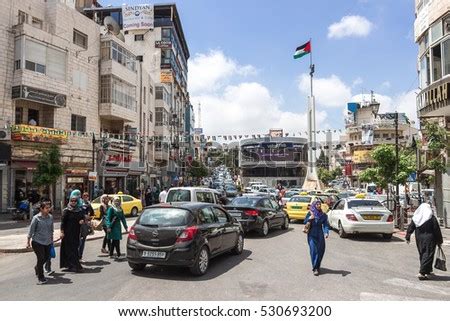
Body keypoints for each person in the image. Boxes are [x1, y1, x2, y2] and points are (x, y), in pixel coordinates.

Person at [405, 203, 443, 280]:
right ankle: (422, 272)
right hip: (430, 239)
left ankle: (428, 270)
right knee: (428, 254)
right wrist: (439, 240)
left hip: (419, 239)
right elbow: (436, 230)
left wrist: (407, 236)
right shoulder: (431, 218)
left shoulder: (416, 217)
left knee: (423, 254)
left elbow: (411, 227)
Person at [26, 202, 54, 285]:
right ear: (41, 209)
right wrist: (28, 241)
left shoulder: (50, 217)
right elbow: (31, 230)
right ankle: (41, 277)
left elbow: (51, 229)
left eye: (49, 208)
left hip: (47, 242)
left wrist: (51, 238)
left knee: (46, 257)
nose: (48, 209)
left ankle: (37, 267)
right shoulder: (36, 218)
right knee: (41, 258)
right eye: (46, 208)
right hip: (37, 242)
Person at [60, 190, 85, 272]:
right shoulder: (66, 211)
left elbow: (83, 218)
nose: (73, 202)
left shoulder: (79, 210)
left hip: (76, 233)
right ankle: (76, 266)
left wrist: (82, 221)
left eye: (75, 201)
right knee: (69, 250)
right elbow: (63, 223)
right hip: (67, 234)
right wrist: (62, 232)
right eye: (72, 201)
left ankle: (72, 265)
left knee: (74, 249)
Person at [304, 200, 330, 276]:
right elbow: (305, 222)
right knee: (313, 251)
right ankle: (315, 268)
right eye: (317, 204)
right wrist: (310, 218)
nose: (318, 205)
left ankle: (318, 265)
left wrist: (326, 232)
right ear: (314, 205)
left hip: (320, 234)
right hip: (311, 234)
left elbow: (325, 225)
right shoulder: (310, 213)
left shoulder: (323, 215)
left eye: (319, 204)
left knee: (320, 251)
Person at [78, 192, 95, 262]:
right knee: (79, 242)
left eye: (87, 196)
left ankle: (80, 257)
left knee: (83, 241)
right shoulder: (80, 204)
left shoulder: (89, 204)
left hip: (85, 225)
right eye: (84, 196)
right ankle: (77, 256)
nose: (86, 197)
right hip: (79, 225)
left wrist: (89, 218)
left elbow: (92, 213)